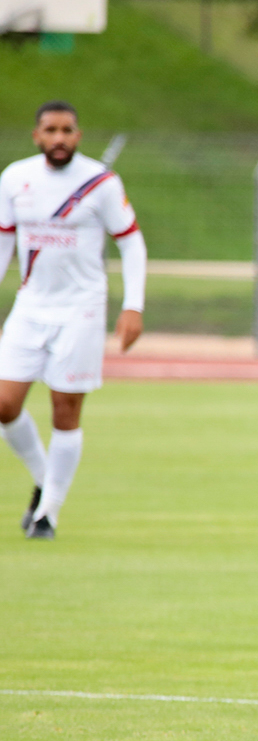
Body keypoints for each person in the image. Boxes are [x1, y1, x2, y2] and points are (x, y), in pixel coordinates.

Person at [0, 101, 146, 540]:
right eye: (50, 130)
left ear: (77, 136)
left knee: (65, 410)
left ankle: (48, 515)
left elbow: (131, 243)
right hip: (31, 306)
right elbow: (4, 242)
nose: (59, 138)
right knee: (5, 405)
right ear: (37, 135)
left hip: (81, 309)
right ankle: (45, 478)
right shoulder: (14, 178)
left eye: (67, 130)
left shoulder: (100, 181)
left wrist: (133, 305)